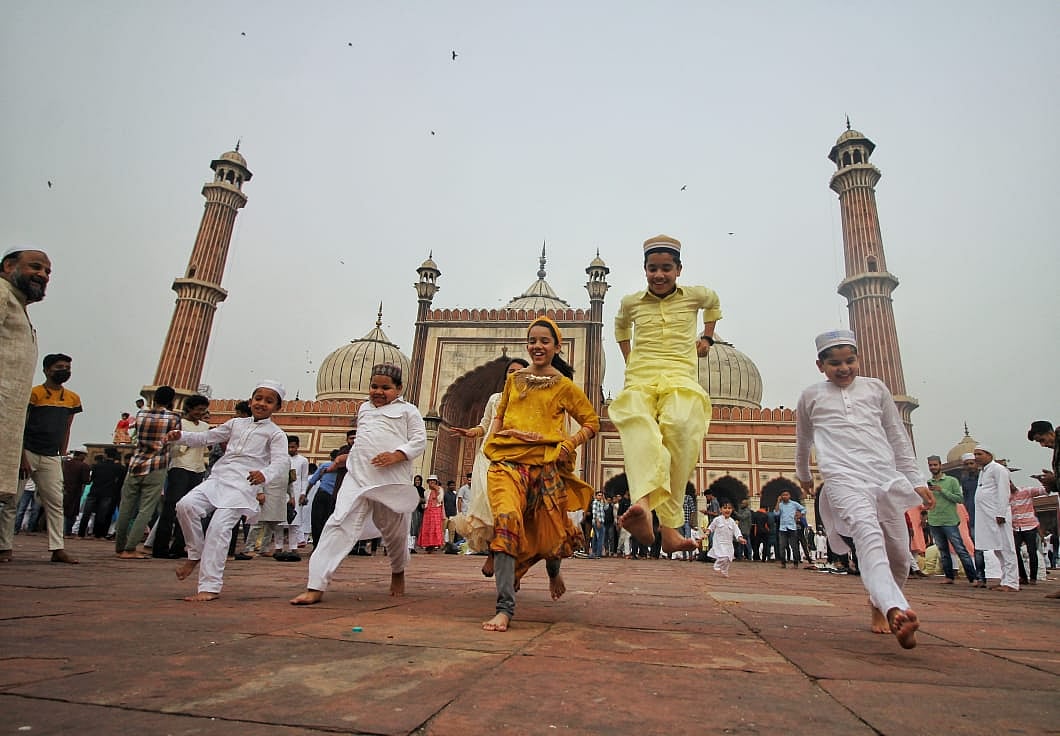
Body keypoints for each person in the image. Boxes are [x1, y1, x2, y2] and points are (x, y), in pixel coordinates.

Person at [795, 329, 934, 649]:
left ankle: (878, 601)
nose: (844, 368)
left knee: (899, 555)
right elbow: (803, 440)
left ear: (859, 358)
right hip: (842, 477)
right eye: (835, 363)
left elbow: (897, 436)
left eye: (850, 361)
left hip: (883, 476)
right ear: (820, 365)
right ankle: (896, 609)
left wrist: (916, 480)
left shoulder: (876, 388)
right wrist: (803, 474)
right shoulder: (811, 396)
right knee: (868, 536)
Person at [479, 317, 599, 632]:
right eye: (532, 340)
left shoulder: (564, 386)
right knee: (507, 519)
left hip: (545, 466)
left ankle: (553, 571)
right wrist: (493, 440)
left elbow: (592, 422)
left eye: (545, 341)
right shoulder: (514, 379)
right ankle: (504, 608)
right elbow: (501, 414)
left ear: (557, 346)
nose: (537, 346)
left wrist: (569, 443)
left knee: (550, 535)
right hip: (507, 462)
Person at [611, 235, 722, 555]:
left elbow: (713, 304)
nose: (659, 275)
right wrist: (630, 359)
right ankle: (644, 508)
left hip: (679, 377)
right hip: (641, 378)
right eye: (652, 269)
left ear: (678, 270)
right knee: (640, 431)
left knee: (681, 431)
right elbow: (620, 327)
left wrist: (708, 338)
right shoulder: (631, 302)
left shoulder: (696, 295)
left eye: (666, 268)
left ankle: (670, 528)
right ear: (645, 269)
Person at [290, 364, 426, 605]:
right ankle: (316, 585)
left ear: (399, 389)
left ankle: (398, 571)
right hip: (358, 478)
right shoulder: (364, 408)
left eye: (385, 388)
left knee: (395, 532)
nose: (378, 392)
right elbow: (363, 441)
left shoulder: (408, 410)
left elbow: (419, 441)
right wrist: (346, 458)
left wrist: (397, 455)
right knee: (337, 523)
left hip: (390, 480)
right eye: (374, 386)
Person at [168, 380, 288, 601]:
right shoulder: (235, 424)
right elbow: (206, 437)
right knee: (185, 506)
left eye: (269, 401)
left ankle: (209, 586)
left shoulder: (275, 434)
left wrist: (265, 474)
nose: (262, 404)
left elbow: (281, 462)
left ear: (278, 407)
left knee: (218, 529)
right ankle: (195, 553)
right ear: (250, 401)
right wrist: (181, 436)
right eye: (258, 398)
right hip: (220, 478)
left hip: (243, 486)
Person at [448, 357, 529, 575]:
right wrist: (471, 432)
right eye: (511, 371)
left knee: (510, 509)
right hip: (488, 455)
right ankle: (493, 552)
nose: (514, 374)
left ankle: (511, 561)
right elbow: (484, 425)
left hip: (515, 456)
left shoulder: (530, 400)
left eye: (519, 372)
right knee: (489, 508)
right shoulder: (496, 398)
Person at [0, 246, 50, 564]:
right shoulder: (2, 294)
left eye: (47, 272)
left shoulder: (15, 304)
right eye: (35, 267)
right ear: (9, 266)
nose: (42, 275)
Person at [18, 353, 83, 563]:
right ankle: (4, 546)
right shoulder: (34, 394)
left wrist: (61, 455)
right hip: (29, 451)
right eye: (59, 367)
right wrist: (22, 458)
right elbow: (21, 426)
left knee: (56, 502)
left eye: (67, 367)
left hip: (51, 455)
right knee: (13, 500)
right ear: (46, 370)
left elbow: (67, 428)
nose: (64, 371)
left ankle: (57, 548)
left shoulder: (72, 398)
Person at [114, 386, 181, 559]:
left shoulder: (141, 415)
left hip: (136, 464)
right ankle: (130, 548)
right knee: (146, 509)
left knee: (126, 507)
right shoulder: (174, 418)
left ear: (154, 398)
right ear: (172, 400)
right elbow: (175, 441)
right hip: (157, 466)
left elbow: (137, 434)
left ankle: (120, 546)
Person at [152, 394, 210, 559]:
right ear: (189, 409)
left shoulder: (205, 426)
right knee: (171, 507)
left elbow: (205, 448)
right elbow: (173, 446)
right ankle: (160, 548)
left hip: (198, 469)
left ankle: (179, 547)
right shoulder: (180, 424)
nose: (201, 413)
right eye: (198, 409)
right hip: (180, 467)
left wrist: (204, 462)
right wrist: (190, 441)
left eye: (203, 410)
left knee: (188, 509)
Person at [971, 445, 1019, 592]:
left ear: (989, 455)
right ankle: (1005, 580)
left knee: (1006, 547)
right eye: (975, 454)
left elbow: (1004, 492)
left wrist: (1001, 513)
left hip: (998, 515)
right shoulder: (983, 471)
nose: (976, 457)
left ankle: (1012, 582)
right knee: (997, 548)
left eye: (979, 454)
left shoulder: (998, 469)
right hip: (986, 516)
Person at [924, 454, 977, 585]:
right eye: (930, 465)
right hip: (934, 520)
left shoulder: (951, 481)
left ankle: (973, 577)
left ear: (940, 465)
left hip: (949, 520)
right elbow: (926, 503)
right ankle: (949, 576)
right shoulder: (927, 483)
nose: (933, 467)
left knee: (960, 549)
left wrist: (942, 490)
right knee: (943, 550)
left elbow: (959, 499)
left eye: (935, 465)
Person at [79, 448, 124, 538]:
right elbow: (119, 481)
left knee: (86, 513)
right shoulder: (119, 468)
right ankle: (98, 534)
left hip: (94, 491)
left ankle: (81, 533)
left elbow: (91, 479)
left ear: (105, 455)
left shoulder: (97, 466)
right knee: (101, 514)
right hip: (108, 492)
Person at [1009, 481, 1046, 586]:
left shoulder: (1026, 491)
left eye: (1010, 483)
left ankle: (1033, 578)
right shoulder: (1007, 497)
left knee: (1032, 551)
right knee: (1015, 551)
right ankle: (1023, 576)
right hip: (1017, 528)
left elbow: (1043, 490)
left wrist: (1043, 481)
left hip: (1030, 526)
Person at [303, 449, 341, 550]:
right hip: (335, 497)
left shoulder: (325, 465)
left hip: (322, 494)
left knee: (316, 520)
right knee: (329, 521)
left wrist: (305, 495)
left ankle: (316, 546)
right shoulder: (344, 468)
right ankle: (327, 546)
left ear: (331, 457)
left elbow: (312, 481)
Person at [707, 501, 746, 577]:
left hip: (728, 544)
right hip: (719, 543)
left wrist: (740, 538)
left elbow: (737, 531)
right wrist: (707, 533)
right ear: (720, 509)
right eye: (725, 508)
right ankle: (717, 565)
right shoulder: (717, 519)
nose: (727, 510)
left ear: (732, 510)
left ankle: (724, 570)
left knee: (729, 558)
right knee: (723, 557)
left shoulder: (732, 521)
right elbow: (711, 527)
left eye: (729, 508)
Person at [62, 446, 91, 536]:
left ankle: (60, 531)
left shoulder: (65, 463)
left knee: (61, 510)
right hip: (75, 492)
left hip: (62, 489)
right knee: (71, 513)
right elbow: (86, 481)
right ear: (82, 455)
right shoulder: (84, 466)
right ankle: (67, 532)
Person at [287, 436, 310, 548]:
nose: (291, 449)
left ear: (298, 446)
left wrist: (303, 493)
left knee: (296, 518)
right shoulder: (283, 459)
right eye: (289, 447)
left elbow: (304, 478)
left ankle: (297, 542)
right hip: (284, 492)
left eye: (293, 447)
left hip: (297, 492)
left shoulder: (303, 460)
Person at [775, 490, 807, 569]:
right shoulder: (780, 505)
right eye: (783, 495)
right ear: (781, 496)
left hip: (792, 527)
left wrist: (800, 515)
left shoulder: (794, 504)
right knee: (782, 546)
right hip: (783, 528)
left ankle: (795, 563)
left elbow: (804, 509)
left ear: (789, 496)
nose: (785, 496)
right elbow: (776, 513)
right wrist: (778, 501)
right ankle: (783, 563)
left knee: (794, 546)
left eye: (786, 495)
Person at [416, 475, 445, 552]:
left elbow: (440, 500)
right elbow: (426, 501)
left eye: (433, 481)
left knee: (435, 527)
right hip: (428, 511)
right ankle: (428, 544)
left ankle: (434, 544)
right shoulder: (426, 491)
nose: (432, 482)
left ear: (436, 482)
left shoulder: (440, 489)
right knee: (427, 528)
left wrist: (436, 490)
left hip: (436, 511)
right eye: (430, 481)